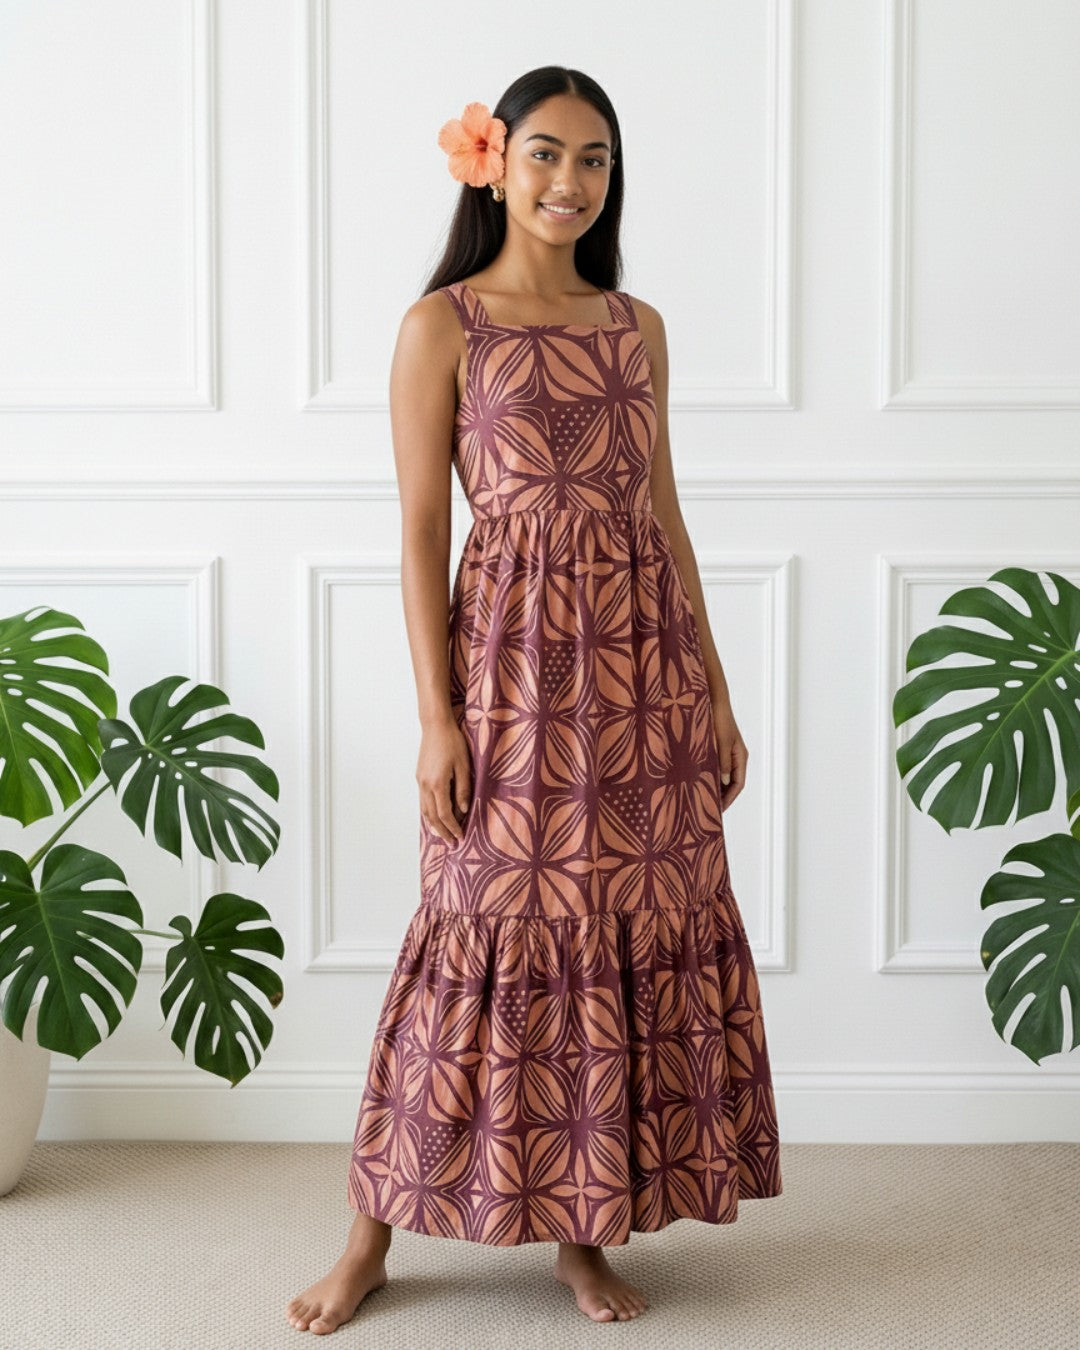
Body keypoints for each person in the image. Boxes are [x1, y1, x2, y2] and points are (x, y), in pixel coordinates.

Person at [285, 64, 782, 1336]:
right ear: (493, 161)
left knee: (616, 935)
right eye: (549, 154)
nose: (573, 183)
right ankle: (368, 1239)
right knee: (474, 940)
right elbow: (415, 536)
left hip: (642, 685)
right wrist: (437, 718)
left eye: (597, 161)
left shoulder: (636, 327)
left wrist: (715, 690)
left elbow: (662, 517)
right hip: (508, 684)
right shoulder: (442, 324)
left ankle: (583, 1238)